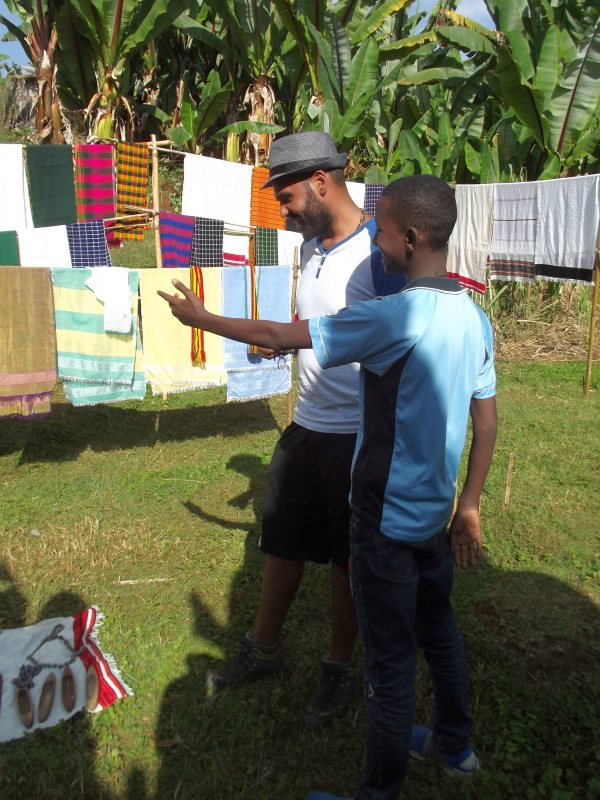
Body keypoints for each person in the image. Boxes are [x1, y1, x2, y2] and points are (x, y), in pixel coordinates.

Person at [159, 173, 497, 799]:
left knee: (390, 663)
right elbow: (486, 419)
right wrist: (469, 507)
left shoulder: (393, 316)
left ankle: (377, 791)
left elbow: (279, 337)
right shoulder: (474, 317)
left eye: (385, 228)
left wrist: (202, 316)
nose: (377, 238)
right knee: (440, 633)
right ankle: (457, 747)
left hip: (383, 523)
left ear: (411, 237)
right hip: (433, 519)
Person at [199, 131, 406, 730]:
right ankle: (263, 649)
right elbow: (313, 327)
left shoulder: (379, 253)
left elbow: (396, 345)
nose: (282, 211)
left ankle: (338, 668)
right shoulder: (312, 248)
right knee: (280, 544)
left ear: (321, 182)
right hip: (306, 425)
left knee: (346, 562)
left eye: (286, 197)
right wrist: (287, 350)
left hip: (355, 438)